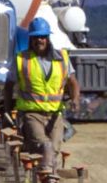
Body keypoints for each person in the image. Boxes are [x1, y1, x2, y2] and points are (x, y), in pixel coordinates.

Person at [12, 19, 70, 174]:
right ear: (31, 39)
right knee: (45, 146)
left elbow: (73, 81)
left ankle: (48, 178)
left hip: (55, 114)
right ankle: (45, 178)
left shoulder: (62, 58)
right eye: (36, 37)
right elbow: (8, 86)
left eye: (43, 36)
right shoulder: (22, 60)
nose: (40, 40)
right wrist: (8, 112)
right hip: (32, 113)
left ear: (48, 38)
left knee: (55, 148)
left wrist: (76, 98)